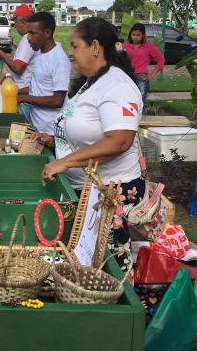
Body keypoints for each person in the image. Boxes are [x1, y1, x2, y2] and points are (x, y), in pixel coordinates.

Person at [35, 17, 143, 271]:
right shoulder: (90, 82)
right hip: (87, 192)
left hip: (111, 195)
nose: (70, 54)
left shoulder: (117, 86)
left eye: (74, 46)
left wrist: (65, 162)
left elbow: (119, 141)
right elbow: (86, 129)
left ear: (95, 47)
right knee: (88, 268)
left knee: (109, 270)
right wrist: (55, 140)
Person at [17, 11, 71, 134]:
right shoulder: (41, 53)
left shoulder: (59, 60)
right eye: (27, 33)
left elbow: (58, 100)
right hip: (37, 126)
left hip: (51, 131)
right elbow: (38, 85)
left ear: (47, 33)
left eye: (32, 33)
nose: (28, 38)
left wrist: (24, 98)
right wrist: (17, 92)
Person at [0, 4, 37, 120]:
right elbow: (22, 62)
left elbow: (18, 68)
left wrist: (2, 55)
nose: (15, 26)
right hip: (24, 92)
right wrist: (9, 58)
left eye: (15, 22)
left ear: (22, 21)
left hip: (24, 94)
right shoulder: (27, 39)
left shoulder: (28, 39)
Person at [123, 23, 164, 102]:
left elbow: (161, 60)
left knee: (140, 101)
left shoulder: (149, 46)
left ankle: (142, 114)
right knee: (128, 101)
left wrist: (152, 75)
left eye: (138, 35)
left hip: (142, 78)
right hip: (127, 76)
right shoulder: (125, 45)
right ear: (130, 34)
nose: (135, 37)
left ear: (143, 35)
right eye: (133, 34)